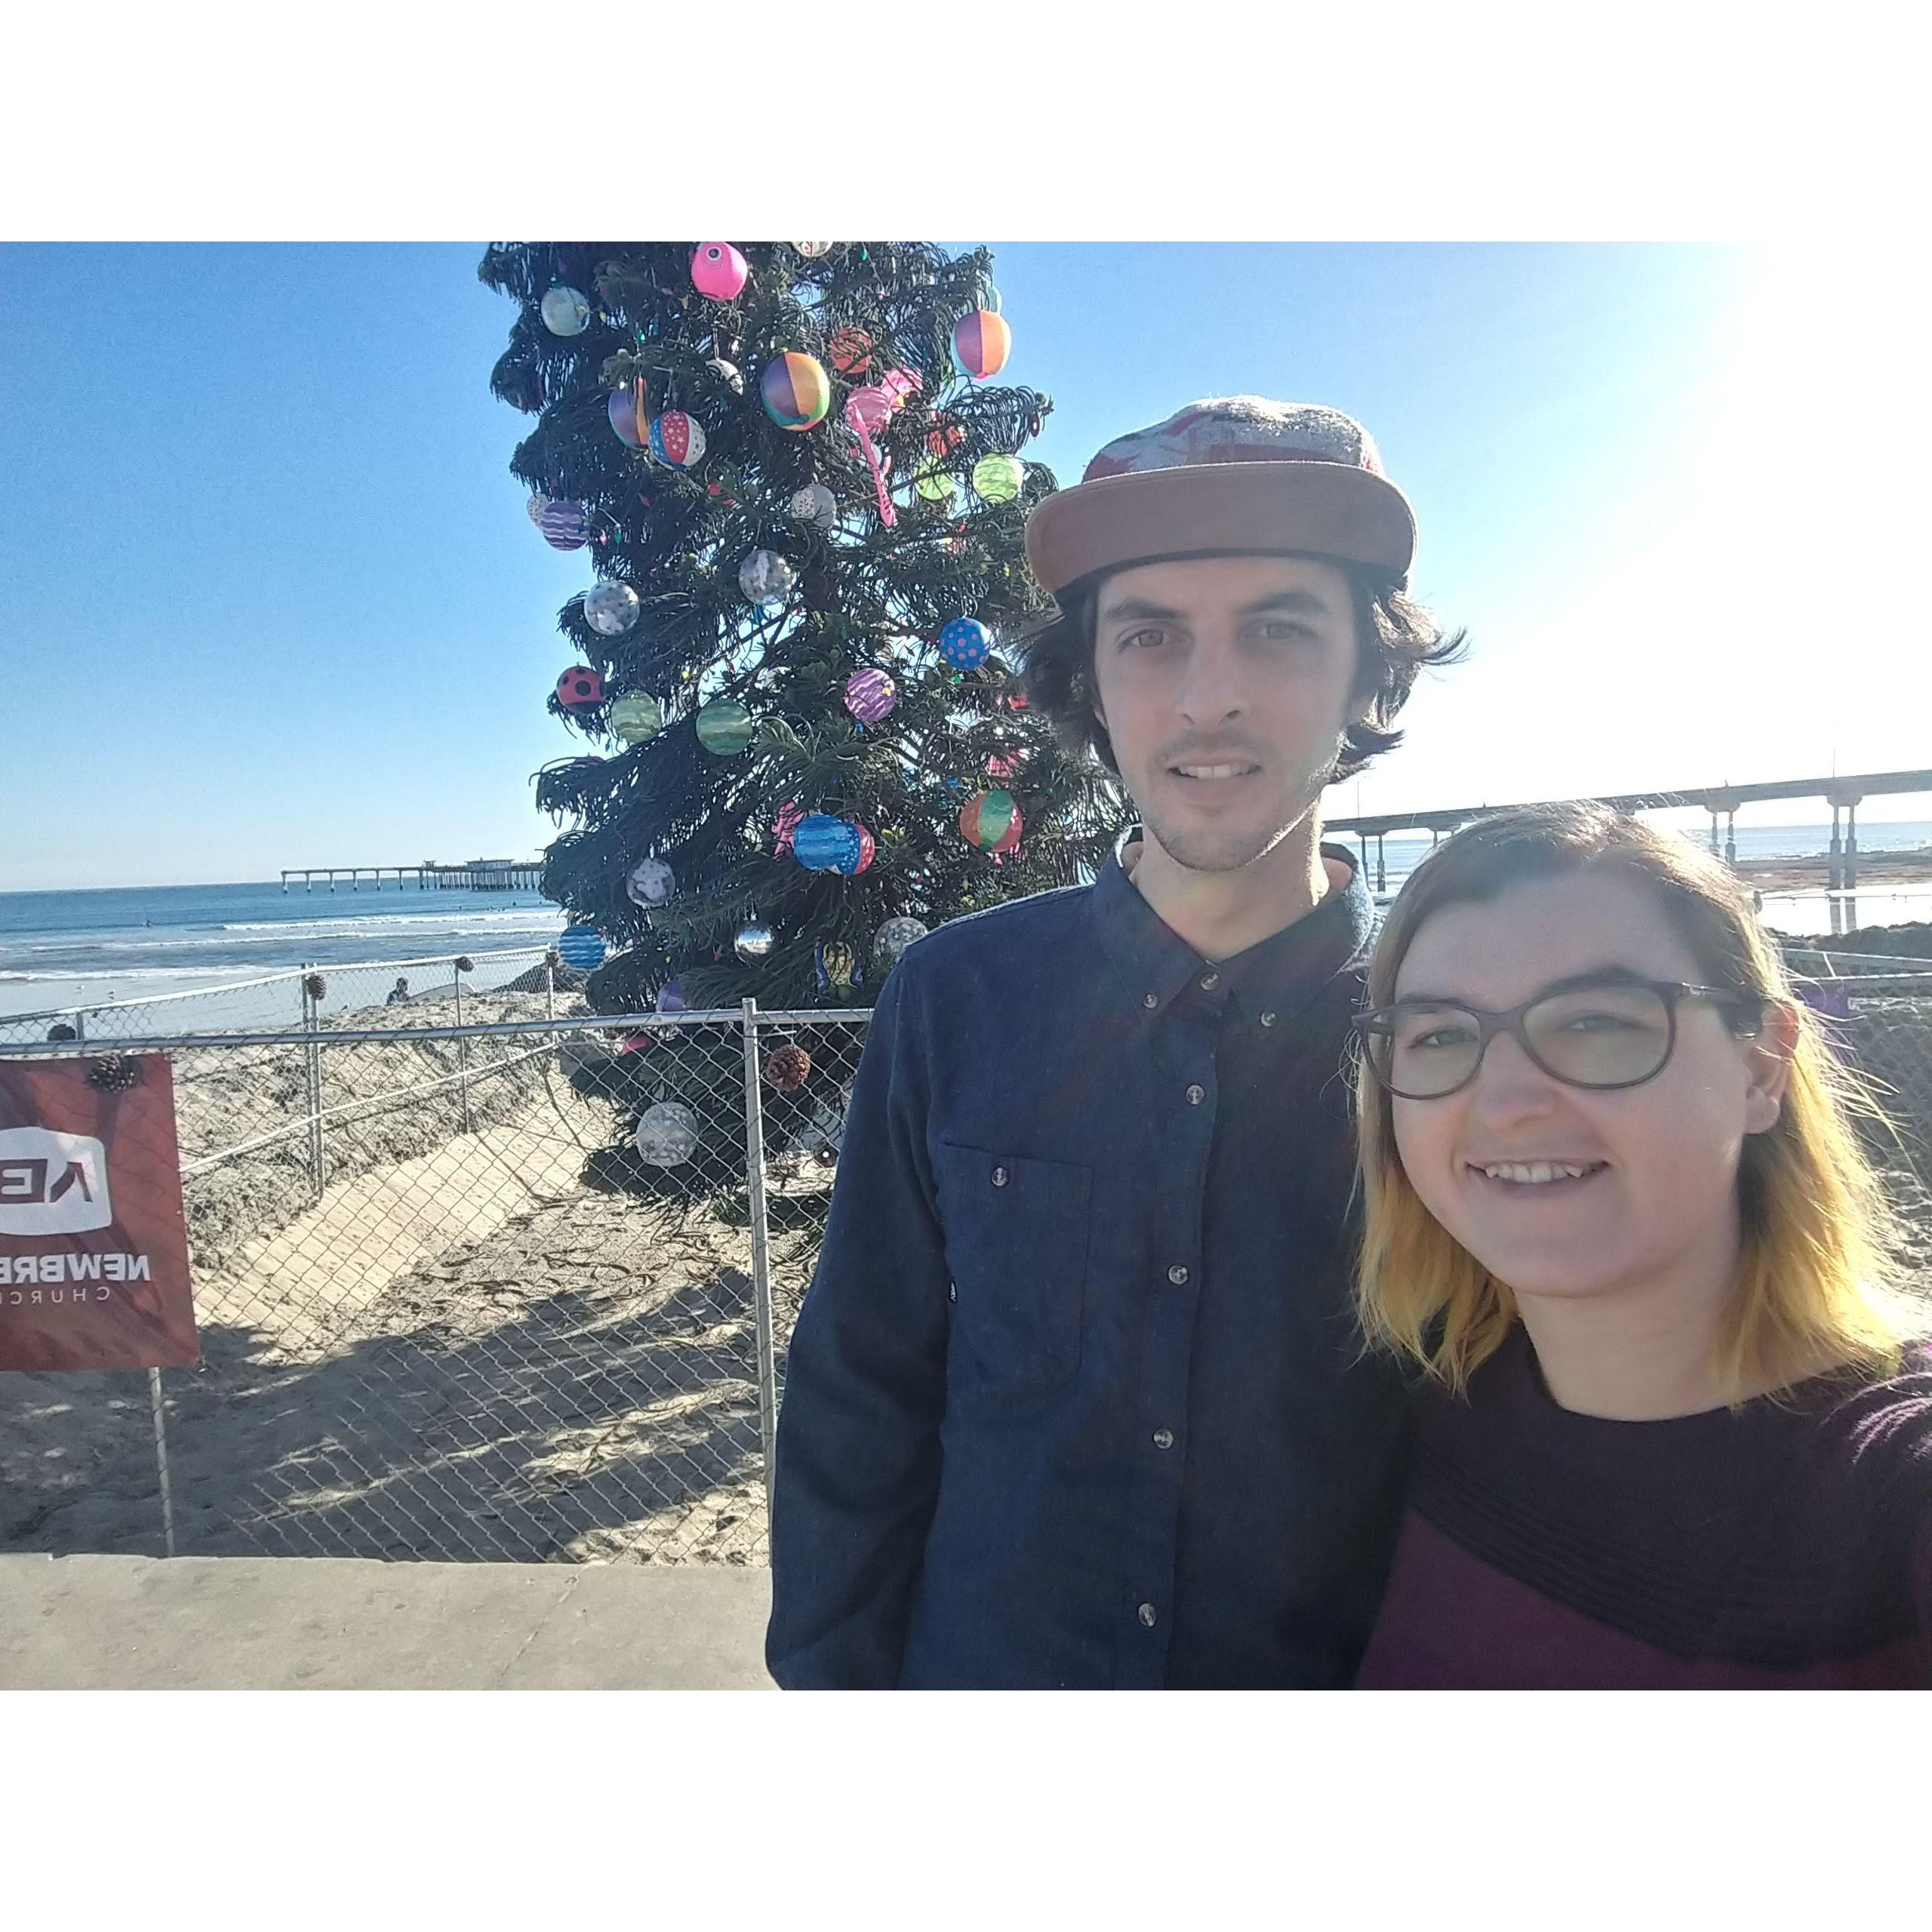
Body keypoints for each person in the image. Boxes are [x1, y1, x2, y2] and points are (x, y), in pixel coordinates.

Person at [767, 397, 1464, 1687]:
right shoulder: (953, 997)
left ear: (1370, 672)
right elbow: (861, 1387)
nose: (1211, 698)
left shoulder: (1451, 1030)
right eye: (1150, 638)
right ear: (1087, 680)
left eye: (1278, 629)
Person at [1349, 802, 1932, 1687]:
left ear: (1760, 1067)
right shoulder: (1425, 1419)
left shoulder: (1891, 1488)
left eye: (1594, 1022)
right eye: (1438, 1037)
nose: (1505, 1102)